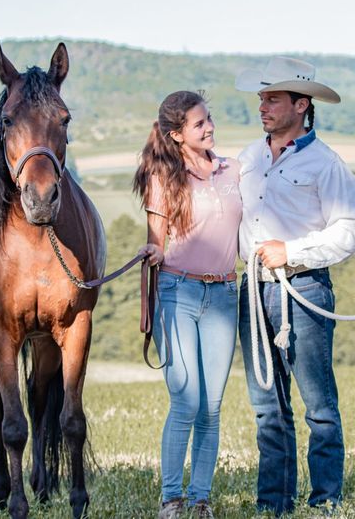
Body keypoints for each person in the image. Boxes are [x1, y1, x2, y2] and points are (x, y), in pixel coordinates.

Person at [234, 57, 355, 514]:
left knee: (318, 406)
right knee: (267, 408)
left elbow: (350, 229)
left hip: (304, 290)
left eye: (272, 98)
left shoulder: (326, 164)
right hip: (252, 291)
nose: (262, 106)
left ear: (301, 104)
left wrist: (293, 252)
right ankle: (274, 504)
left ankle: (326, 501)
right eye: (262, 98)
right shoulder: (248, 158)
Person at [133, 90, 242, 519]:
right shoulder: (164, 177)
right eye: (199, 124)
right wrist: (154, 254)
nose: (209, 127)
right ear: (178, 135)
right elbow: (156, 242)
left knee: (211, 407)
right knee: (186, 401)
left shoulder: (233, 170)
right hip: (178, 293)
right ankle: (172, 499)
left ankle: (201, 500)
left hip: (224, 294)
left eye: (209, 119)